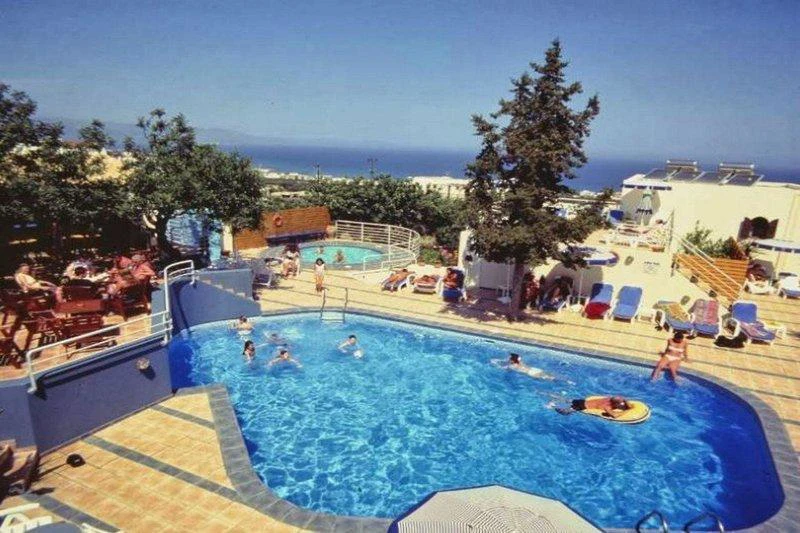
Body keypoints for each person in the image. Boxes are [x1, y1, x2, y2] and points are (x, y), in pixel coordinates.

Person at [491, 353, 556, 380]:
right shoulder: (520, 361)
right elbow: (517, 357)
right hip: (534, 369)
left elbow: (501, 368)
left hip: (531, 373)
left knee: (547, 378)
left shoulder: (512, 366)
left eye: (509, 358)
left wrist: (494, 363)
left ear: (512, 360)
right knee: (550, 376)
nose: (508, 358)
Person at [551, 396, 632, 418]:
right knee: (565, 412)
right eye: (621, 403)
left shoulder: (609, 398)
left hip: (583, 401)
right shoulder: (607, 406)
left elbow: (628, 404)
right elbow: (614, 415)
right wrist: (626, 411)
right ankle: (553, 407)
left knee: (568, 400)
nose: (622, 404)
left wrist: (625, 401)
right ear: (615, 403)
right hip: (582, 406)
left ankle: (554, 397)